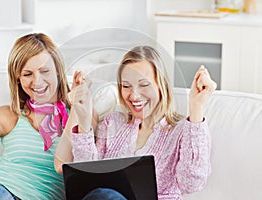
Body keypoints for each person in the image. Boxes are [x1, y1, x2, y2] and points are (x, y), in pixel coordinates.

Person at [54, 46, 217, 200]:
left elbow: (191, 183)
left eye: (144, 85)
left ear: (161, 85)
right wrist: (83, 119)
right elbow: (86, 179)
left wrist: (197, 107)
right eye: (126, 86)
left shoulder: (183, 130)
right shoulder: (113, 123)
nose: (134, 95)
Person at [0, 33, 75, 199]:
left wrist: (80, 107)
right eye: (27, 74)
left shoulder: (79, 115)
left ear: (58, 71)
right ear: (18, 79)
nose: (37, 82)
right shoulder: (10, 116)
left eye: (44, 71)